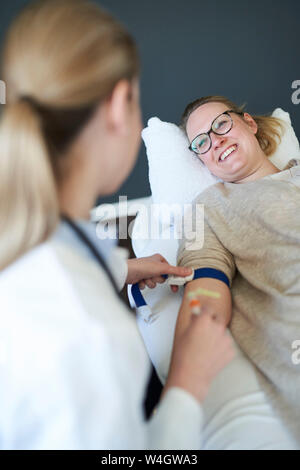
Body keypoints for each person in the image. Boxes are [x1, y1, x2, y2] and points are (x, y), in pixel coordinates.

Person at [0, 1, 234, 450]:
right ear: (119, 104)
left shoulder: (39, 238)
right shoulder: (89, 339)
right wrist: (186, 382)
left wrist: (128, 266)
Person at [174, 95, 300, 447]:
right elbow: (205, 292)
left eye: (222, 124)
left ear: (249, 122)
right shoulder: (210, 209)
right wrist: (178, 399)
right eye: (202, 142)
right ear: (201, 159)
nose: (215, 140)